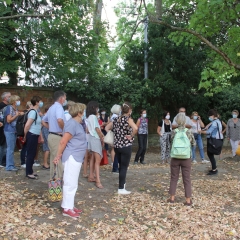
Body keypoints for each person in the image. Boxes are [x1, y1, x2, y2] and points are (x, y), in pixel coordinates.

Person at [53, 103, 87, 218]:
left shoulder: (77, 124)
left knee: (72, 182)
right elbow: (63, 141)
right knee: (69, 182)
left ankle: (69, 205)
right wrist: (58, 155)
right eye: (83, 111)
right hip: (72, 156)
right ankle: (67, 208)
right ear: (79, 112)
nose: (84, 113)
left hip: (76, 157)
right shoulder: (72, 124)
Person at [106, 102, 138, 194]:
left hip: (117, 146)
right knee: (124, 167)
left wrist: (115, 134)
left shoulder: (116, 119)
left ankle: (122, 185)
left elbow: (107, 128)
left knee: (121, 166)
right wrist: (131, 135)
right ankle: (121, 188)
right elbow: (135, 128)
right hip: (126, 145)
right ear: (129, 110)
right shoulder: (128, 119)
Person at [168, 113, 196, 206]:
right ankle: (188, 200)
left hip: (175, 157)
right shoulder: (189, 131)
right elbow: (193, 143)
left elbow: (170, 142)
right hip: (186, 157)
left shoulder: (173, 131)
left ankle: (172, 198)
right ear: (185, 121)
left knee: (174, 177)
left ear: (176, 121)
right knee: (187, 178)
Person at [42, 90, 67, 179]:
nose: (65, 100)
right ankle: (58, 180)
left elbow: (43, 121)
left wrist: (51, 128)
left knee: (54, 158)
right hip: (57, 136)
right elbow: (59, 120)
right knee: (58, 159)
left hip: (52, 135)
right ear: (61, 98)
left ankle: (54, 181)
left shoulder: (51, 107)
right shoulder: (59, 107)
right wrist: (64, 129)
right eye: (65, 98)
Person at [24, 96, 43, 179]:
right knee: (30, 154)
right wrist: (25, 135)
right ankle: (28, 172)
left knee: (32, 153)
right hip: (31, 134)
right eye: (40, 101)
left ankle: (30, 170)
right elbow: (28, 125)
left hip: (35, 134)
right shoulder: (33, 112)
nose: (42, 103)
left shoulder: (35, 111)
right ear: (37, 102)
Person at [86, 101, 104, 189]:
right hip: (95, 138)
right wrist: (102, 137)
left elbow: (87, 129)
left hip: (91, 138)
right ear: (94, 108)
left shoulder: (88, 117)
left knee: (92, 158)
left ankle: (91, 176)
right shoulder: (93, 117)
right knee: (98, 160)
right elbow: (97, 129)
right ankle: (98, 181)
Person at [4, 95, 24, 171]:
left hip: (14, 130)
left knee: (11, 148)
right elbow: (8, 120)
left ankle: (11, 164)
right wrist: (17, 115)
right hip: (9, 130)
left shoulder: (15, 108)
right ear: (13, 101)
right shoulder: (9, 108)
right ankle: (9, 166)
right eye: (17, 100)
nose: (19, 101)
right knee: (10, 149)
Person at [201, 109, 223, 175]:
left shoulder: (214, 123)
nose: (209, 117)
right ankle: (214, 168)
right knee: (210, 154)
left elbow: (208, 132)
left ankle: (214, 169)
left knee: (210, 153)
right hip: (217, 139)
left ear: (213, 115)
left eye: (209, 116)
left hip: (213, 140)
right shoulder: (218, 121)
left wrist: (200, 131)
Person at [108, 104, 121, 173]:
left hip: (114, 134)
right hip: (115, 134)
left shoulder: (113, 116)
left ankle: (115, 165)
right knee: (115, 149)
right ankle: (114, 165)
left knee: (115, 149)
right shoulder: (116, 117)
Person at [20, 101, 33, 168]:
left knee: (26, 147)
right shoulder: (27, 113)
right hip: (26, 131)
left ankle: (25, 161)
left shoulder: (28, 112)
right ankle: (23, 162)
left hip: (27, 131)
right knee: (25, 147)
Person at [0, 92, 11, 168]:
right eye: (9, 96)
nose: (10, 97)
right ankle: (2, 161)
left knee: (6, 145)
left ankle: (4, 161)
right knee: (3, 144)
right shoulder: (1, 106)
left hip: (6, 127)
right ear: (5, 98)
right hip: (2, 128)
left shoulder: (8, 106)